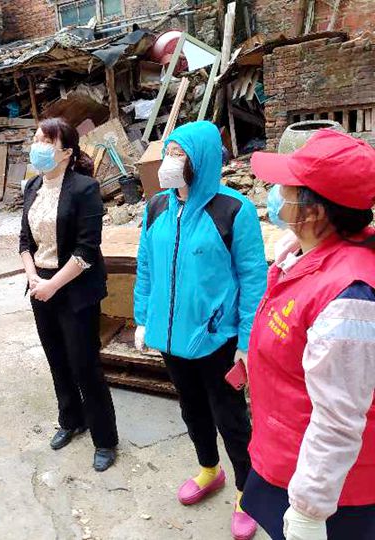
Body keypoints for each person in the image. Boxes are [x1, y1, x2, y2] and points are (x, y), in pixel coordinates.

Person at [133, 121, 266, 540]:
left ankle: (247, 492)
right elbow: (146, 266)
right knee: (191, 410)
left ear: (201, 159)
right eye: (168, 153)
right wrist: (143, 317)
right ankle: (209, 469)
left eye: (179, 155)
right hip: (170, 338)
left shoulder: (233, 210)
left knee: (231, 418)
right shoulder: (157, 206)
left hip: (217, 340)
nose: (170, 162)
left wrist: (246, 340)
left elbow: (253, 280)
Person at [241, 129, 375, 540]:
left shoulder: (351, 298)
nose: (276, 194)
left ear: (314, 211)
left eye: (287, 187)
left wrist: (308, 509)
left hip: (330, 485)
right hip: (286, 449)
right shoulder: (307, 252)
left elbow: (338, 417)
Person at [20, 117, 119, 472]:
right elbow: (25, 241)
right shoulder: (32, 186)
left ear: (66, 152)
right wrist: (33, 277)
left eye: (46, 141)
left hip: (75, 287)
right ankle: (71, 419)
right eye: (36, 139)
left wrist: (53, 285)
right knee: (56, 359)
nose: (38, 147)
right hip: (40, 285)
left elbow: (86, 250)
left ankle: (105, 439)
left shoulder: (84, 188)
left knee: (84, 363)